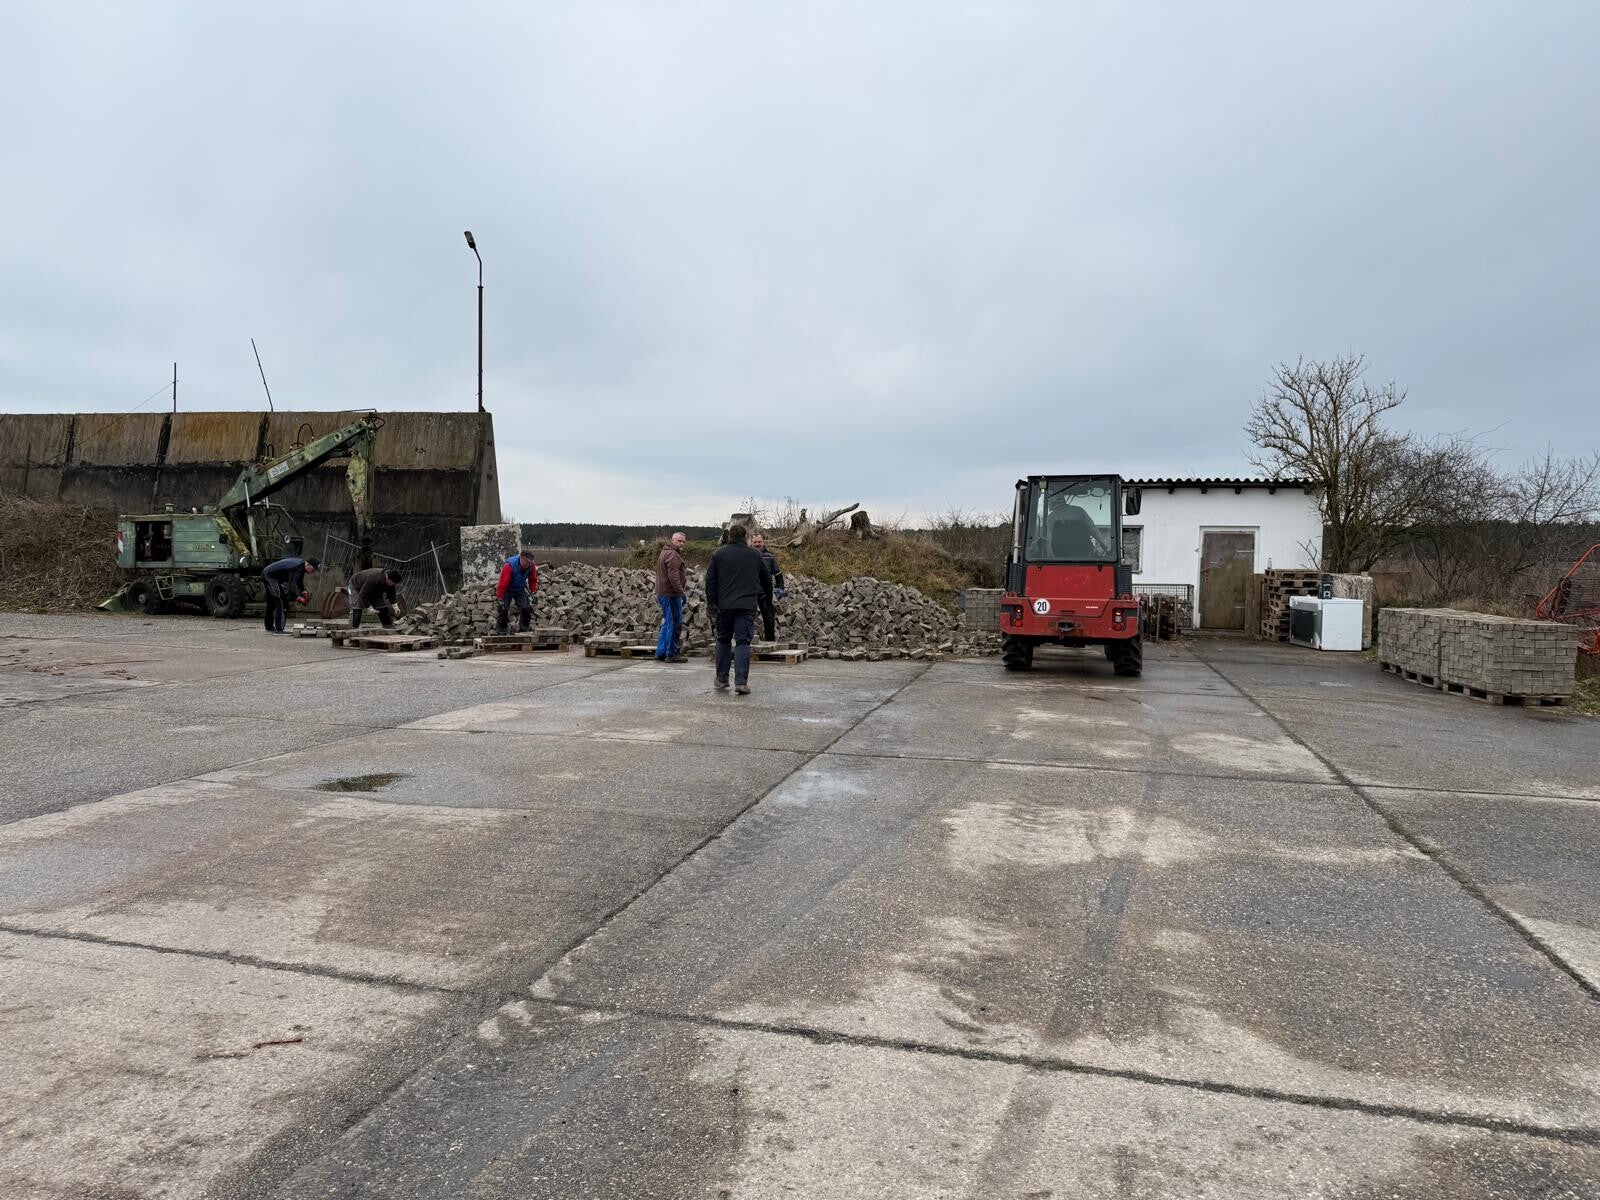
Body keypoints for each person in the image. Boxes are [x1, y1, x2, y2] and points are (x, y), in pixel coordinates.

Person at [703, 524, 771, 695]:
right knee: (742, 643)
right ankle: (741, 682)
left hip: (724, 606)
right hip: (746, 606)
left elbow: (710, 582)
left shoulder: (719, 554)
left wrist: (712, 604)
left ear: (730, 537)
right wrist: (766, 598)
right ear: (745, 537)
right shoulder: (755, 555)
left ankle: (721, 679)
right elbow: (767, 580)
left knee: (723, 640)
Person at [262, 555, 319, 634]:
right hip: (270, 576)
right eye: (313, 569)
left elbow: (299, 581)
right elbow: (292, 587)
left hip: (267, 573)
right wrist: (299, 598)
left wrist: (303, 591)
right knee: (282, 601)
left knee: (272, 601)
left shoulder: (301, 566)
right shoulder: (297, 568)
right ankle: (279, 629)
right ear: (308, 565)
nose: (313, 572)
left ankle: (269, 626)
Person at [655, 532, 689, 663]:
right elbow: (673, 577)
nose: (682, 543)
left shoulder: (664, 552)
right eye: (679, 541)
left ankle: (661, 652)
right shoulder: (673, 555)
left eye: (683, 541)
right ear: (673, 540)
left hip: (664, 593)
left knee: (667, 623)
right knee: (674, 623)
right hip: (670, 594)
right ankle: (671, 654)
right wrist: (681, 593)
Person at [750, 533, 786, 642]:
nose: (757, 544)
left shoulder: (770, 556)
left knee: (769, 619)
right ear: (751, 543)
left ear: (763, 542)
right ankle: (747, 643)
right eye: (755, 542)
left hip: (765, 592)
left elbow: (778, 573)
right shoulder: (747, 556)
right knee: (747, 618)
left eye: (759, 542)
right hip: (750, 592)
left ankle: (770, 642)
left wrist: (780, 588)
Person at [496, 549, 539, 634]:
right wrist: (500, 598)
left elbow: (532, 579)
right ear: (521, 559)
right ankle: (502, 631)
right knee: (503, 610)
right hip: (507, 589)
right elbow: (502, 584)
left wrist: (533, 591)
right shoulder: (509, 566)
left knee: (525, 609)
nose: (528, 565)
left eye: (529, 563)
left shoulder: (531, 565)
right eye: (526, 563)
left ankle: (524, 630)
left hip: (520, 589)